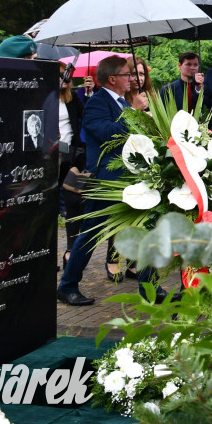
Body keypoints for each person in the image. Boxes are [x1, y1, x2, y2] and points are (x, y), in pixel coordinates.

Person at [57, 55, 154, 306]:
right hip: (106, 180)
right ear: (113, 79)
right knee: (91, 234)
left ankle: (150, 289)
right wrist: (134, 112)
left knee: (142, 231)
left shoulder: (123, 101)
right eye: (126, 74)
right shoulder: (98, 102)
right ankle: (67, 285)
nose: (131, 78)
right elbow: (106, 132)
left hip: (130, 178)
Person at [56, 63, 86, 272]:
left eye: (67, 78)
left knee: (70, 202)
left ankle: (69, 251)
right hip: (49, 154)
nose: (64, 81)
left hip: (70, 155)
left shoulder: (72, 97)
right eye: (61, 77)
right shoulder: (45, 97)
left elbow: (82, 118)